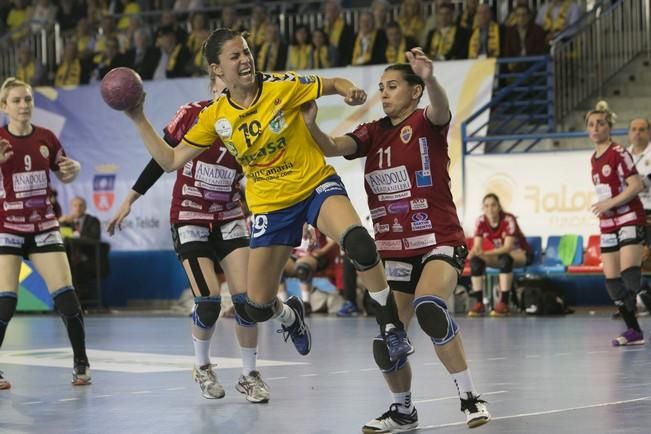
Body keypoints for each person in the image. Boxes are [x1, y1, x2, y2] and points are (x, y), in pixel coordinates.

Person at [120, 28, 413, 366]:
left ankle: (391, 326)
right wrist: (138, 118)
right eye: (235, 56)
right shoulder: (214, 117)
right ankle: (290, 315)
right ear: (217, 69)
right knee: (254, 307)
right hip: (271, 207)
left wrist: (351, 91)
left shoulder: (279, 86)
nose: (245, 59)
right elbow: (170, 160)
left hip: (313, 184)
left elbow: (332, 83)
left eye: (246, 52)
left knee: (359, 242)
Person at [301, 48, 491, 431]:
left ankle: (470, 397)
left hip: (437, 239)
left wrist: (432, 79)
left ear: (415, 91)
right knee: (387, 339)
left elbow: (441, 108)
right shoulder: (372, 131)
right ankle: (402, 409)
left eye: (392, 86)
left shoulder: (427, 122)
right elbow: (331, 148)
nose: (384, 93)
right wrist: (310, 124)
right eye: (381, 87)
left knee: (430, 307)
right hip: (394, 248)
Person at [107, 73, 270, 403]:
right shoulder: (193, 114)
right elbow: (162, 158)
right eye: (224, 84)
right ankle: (202, 366)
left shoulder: (254, 126)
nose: (231, 90)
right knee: (209, 301)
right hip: (189, 216)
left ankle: (249, 374)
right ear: (213, 85)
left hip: (228, 216)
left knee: (246, 302)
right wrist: (131, 198)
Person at [0, 77, 89, 389]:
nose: (24, 105)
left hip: (43, 226)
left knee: (67, 298)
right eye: (17, 100)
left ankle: (81, 364)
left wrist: (73, 170)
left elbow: (64, 172)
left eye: (28, 99)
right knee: (5, 302)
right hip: (7, 228)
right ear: (4, 106)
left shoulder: (47, 137)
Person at [587, 101, 646, 346]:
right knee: (612, 282)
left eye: (600, 123)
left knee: (629, 273)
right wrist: (604, 207)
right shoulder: (594, 158)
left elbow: (636, 185)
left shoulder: (619, 152)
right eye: (591, 124)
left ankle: (642, 307)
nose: (595, 128)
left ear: (609, 127)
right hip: (609, 223)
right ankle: (634, 331)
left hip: (629, 217)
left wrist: (610, 203)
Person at [467, 193, 533, 316]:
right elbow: (477, 247)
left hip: (521, 254)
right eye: (486, 206)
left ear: (499, 207)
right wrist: (472, 254)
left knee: (505, 259)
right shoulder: (480, 220)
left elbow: (507, 248)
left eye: (493, 205)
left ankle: (504, 303)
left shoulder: (508, 219)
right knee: (476, 261)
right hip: (501, 255)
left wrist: (484, 253)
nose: (490, 209)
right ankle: (479, 303)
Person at [281, 224, 339, 315]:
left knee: (303, 268)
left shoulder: (318, 219)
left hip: (316, 255)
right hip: (295, 255)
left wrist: (322, 251)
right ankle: (282, 304)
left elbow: (333, 239)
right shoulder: (291, 219)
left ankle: (306, 303)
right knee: (278, 268)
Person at [627, 117, 651, 314]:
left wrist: (633, 184)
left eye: (642, 129)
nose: (637, 133)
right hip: (631, 212)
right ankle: (633, 301)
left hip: (650, 210)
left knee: (648, 257)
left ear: (648, 132)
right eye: (634, 129)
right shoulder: (624, 155)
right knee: (631, 258)